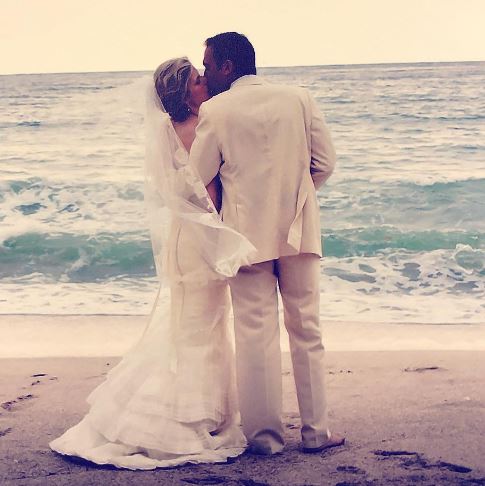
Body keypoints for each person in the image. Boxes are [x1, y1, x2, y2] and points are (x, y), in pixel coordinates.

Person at [49, 57, 255, 470]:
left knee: (189, 329)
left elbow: (176, 195)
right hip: (199, 243)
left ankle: (193, 412)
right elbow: (209, 196)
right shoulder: (200, 128)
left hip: (182, 240)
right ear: (184, 92)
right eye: (197, 81)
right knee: (203, 330)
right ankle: (185, 418)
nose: (204, 83)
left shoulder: (167, 132)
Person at [190, 32, 344, 455]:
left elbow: (197, 176)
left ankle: (266, 440)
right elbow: (325, 163)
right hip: (299, 230)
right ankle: (316, 433)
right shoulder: (299, 98)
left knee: (255, 335)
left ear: (226, 66)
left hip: (245, 237)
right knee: (307, 330)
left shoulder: (216, 110)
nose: (204, 73)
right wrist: (296, 197)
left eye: (208, 65)